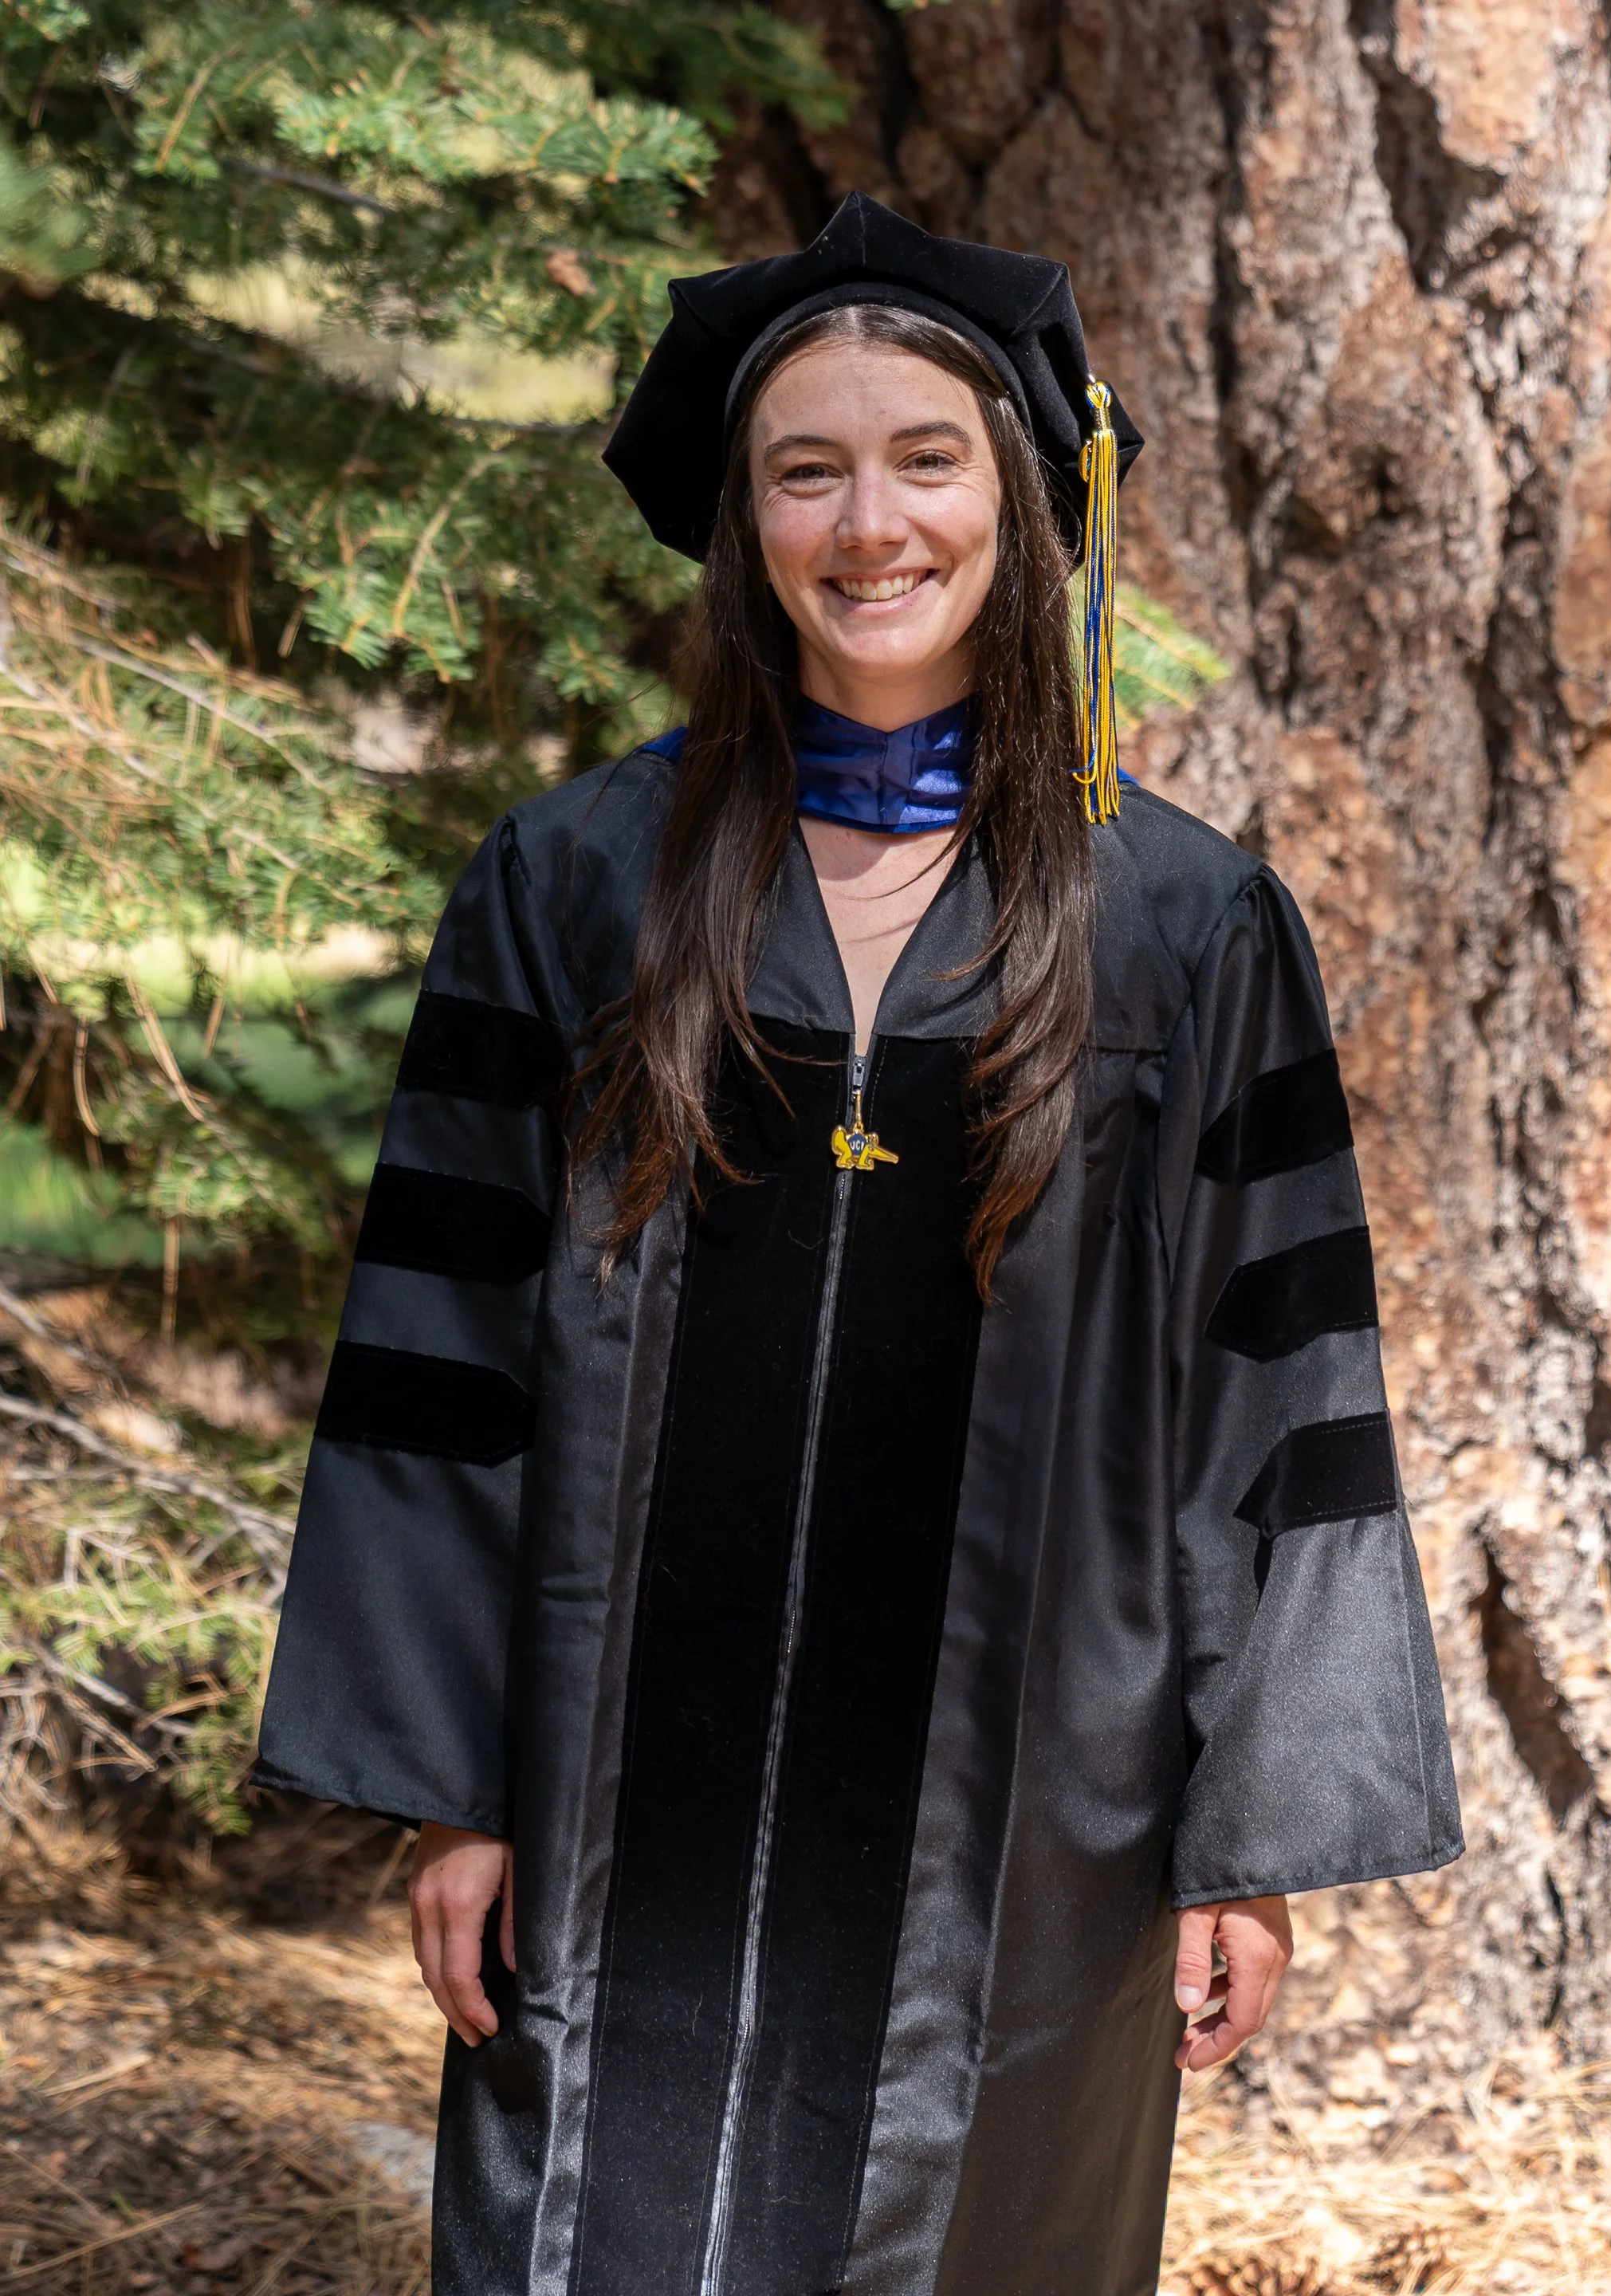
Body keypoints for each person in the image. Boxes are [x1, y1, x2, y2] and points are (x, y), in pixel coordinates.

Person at [257, 192, 1462, 2296]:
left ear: (1019, 500)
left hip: (1031, 1821)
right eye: (806, 467)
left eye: (928, 457)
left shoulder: (1177, 928)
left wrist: (1243, 1846)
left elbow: (1279, 1399)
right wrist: (454, 1794)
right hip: (619, 1795)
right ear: (743, 522)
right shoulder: (571, 889)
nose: (870, 521)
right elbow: (433, 1357)